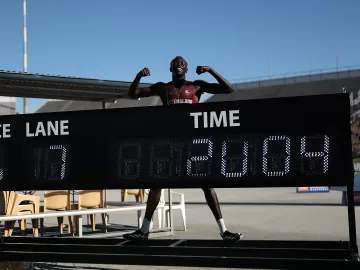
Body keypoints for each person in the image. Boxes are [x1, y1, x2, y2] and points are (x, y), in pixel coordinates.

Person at [123, 56, 243, 242]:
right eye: (175, 64)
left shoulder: (197, 86)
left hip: (192, 143)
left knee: (207, 185)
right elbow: (132, 94)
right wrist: (139, 76)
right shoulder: (163, 88)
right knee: (156, 185)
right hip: (169, 144)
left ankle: (224, 231)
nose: (178, 65)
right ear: (170, 68)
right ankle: (143, 231)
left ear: (186, 68)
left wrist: (211, 70)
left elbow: (228, 89)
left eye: (181, 64)